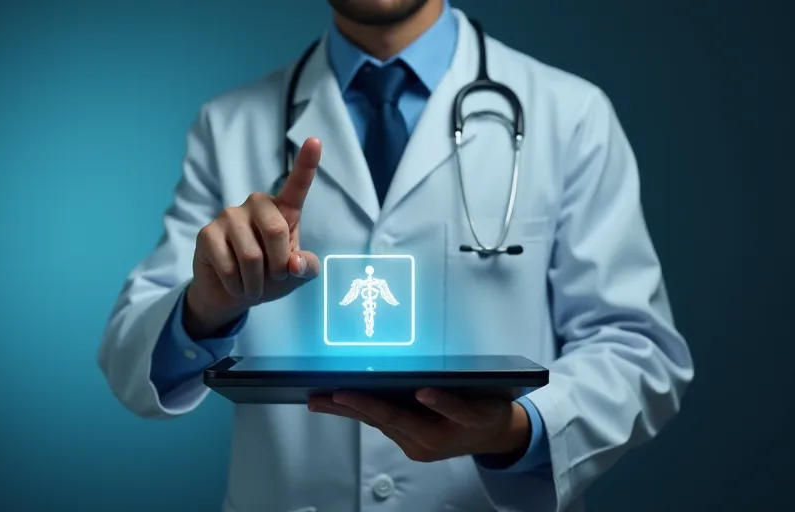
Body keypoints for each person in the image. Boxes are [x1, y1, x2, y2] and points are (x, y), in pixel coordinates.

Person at [98, 0, 694, 510]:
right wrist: (206, 305)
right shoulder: (228, 126)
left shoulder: (570, 114)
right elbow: (131, 359)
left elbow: (638, 352)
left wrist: (513, 429)